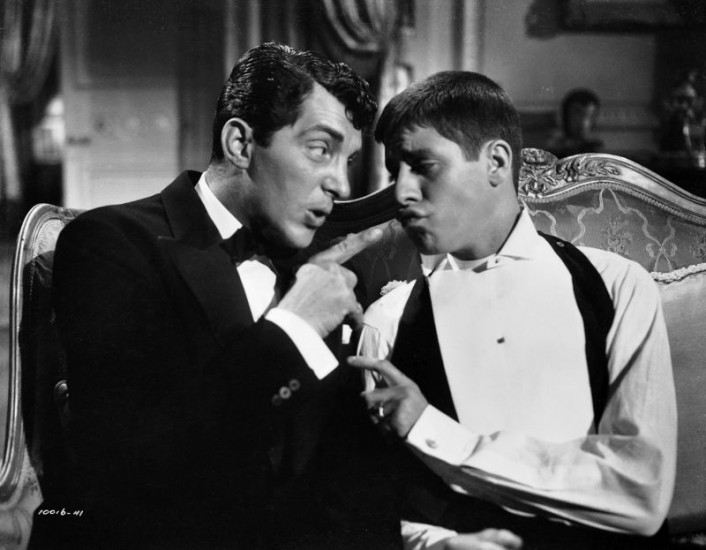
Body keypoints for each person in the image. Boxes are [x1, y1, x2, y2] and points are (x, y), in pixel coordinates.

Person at [32, 43, 402, 549]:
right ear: (240, 144)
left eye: (349, 160)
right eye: (321, 149)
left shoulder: (327, 271)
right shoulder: (111, 244)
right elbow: (130, 466)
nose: (339, 182)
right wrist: (294, 328)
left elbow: (341, 471)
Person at [351, 71, 676, 550]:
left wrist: (434, 433)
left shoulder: (618, 286)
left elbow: (641, 493)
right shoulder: (387, 322)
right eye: (394, 171)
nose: (401, 193)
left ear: (497, 162)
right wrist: (435, 544)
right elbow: (372, 510)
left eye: (422, 165)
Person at [546, 88, 603, 157]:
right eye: (577, 114)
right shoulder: (553, 148)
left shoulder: (598, 151)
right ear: (566, 116)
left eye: (588, 116)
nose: (582, 122)